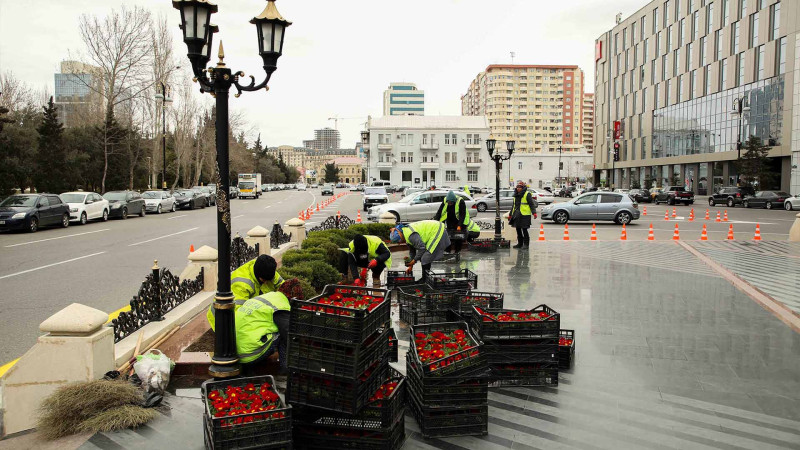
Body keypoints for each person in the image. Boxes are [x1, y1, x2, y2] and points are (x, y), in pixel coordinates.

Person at [235, 278, 303, 373]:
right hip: (249, 354)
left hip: (236, 352)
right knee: (286, 333)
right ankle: (285, 370)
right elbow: (288, 333)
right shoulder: (282, 305)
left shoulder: (269, 297)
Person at [207, 254, 284, 331]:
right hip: (223, 318)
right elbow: (239, 315)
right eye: (264, 280)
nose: (266, 283)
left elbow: (284, 287)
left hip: (245, 311)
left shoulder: (268, 271)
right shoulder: (242, 284)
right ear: (258, 274)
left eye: (269, 280)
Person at [433, 191, 481, 255]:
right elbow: (439, 212)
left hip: (459, 221)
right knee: (448, 236)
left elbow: (462, 214)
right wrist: (435, 221)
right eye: (448, 203)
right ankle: (448, 251)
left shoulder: (460, 201)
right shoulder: (445, 200)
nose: (449, 204)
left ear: (454, 201)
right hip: (450, 220)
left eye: (451, 203)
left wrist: (459, 225)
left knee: (458, 236)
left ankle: (457, 251)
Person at [508, 181, 537, 249]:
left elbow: (531, 204)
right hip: (517, 214)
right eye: (517, 187)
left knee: (524, 229)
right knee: (518, 229)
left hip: (525, 214)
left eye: (520, 187)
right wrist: (510, 214)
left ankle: (526, 244)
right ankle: (520, 244)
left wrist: (534, 213)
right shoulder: (515, 195)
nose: (518, 188)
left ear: (523, 187)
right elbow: (513, 205)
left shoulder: (527, 194)